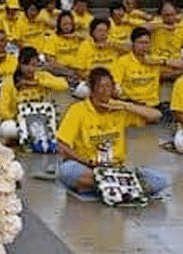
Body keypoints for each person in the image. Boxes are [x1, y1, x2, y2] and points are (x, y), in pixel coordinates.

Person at [54, 66, 167, 197]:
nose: (105, 91)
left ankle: (102, 187)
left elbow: (156, 115)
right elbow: (62, 145)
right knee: (66, 171)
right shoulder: (77, 110)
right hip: (89, 167)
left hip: (116, 169)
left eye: (109, 87)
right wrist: (87, 162)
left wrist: (126, 105)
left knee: (160, 181)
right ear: (92, 89)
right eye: (101, 87)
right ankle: (120, 188)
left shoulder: (118, 108)